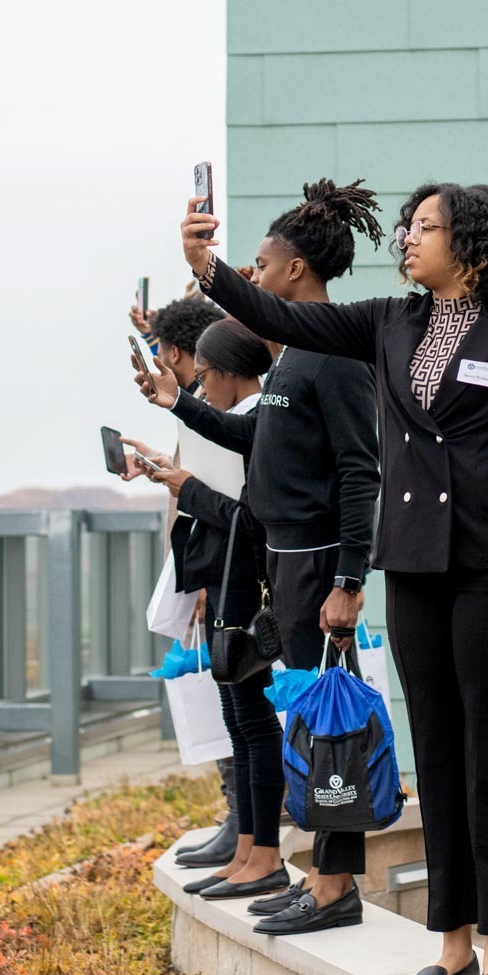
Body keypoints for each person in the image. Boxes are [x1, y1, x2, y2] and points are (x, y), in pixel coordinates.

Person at [182, 179, 488, 975]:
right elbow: (285, 319)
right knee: (435, 749)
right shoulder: (389, 320)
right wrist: (207, 268)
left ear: (468, 241)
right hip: (415, 568)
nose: (407, 237)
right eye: (407, 226)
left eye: (426, 227)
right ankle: (454, 942)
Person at [131, 178, 384, 935]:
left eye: (263, 262)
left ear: (297, 270)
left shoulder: (332, 352)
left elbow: (359, 469)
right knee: (301, 717)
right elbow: (257, 441)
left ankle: (335, 884)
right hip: (282, 565)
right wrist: (176, 402)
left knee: (325, 722)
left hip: (316, 566)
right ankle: (316, 873)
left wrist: (348, 579)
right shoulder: (291, 360)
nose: (256, 272)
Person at [125, 320, 291, 902]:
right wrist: (173, 474)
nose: (202, 391)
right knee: (238, 720)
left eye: (204, 378)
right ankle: (247, 846)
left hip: (247, 585)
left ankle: (263, 852)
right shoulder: (232, 421)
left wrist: (186, 488)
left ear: (221, 374)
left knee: (254, 721)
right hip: (222, 584)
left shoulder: (258, 425)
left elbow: (254, 518)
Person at [136, 295, 242, 870]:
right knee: (228, 699)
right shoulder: (203, 406)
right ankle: (239, 818)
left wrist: (200, 580)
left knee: (233, 701)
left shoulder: (212, 410)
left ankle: (244, 819)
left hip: (220, 573)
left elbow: (218, 498)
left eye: (162, 353)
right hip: (210, 569)